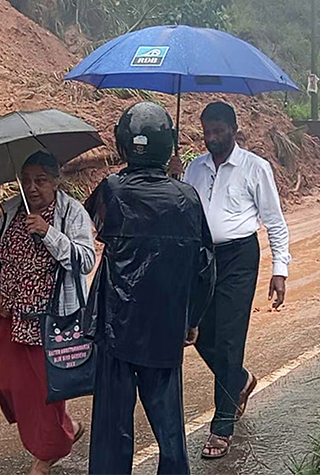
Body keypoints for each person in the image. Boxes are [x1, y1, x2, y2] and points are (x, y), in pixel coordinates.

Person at [85, 101, 216, 475]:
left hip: (117, 328)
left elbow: (95, 224)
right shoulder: (186, 197)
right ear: (168, 144)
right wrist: (192, 318)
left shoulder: (112, 189)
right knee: (169, 429)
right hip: (165, 327)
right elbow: (206, 267)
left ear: (123, 144)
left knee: (113, 430)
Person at [181, 101, 292, 460]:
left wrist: (280, 269)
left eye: (218, 131)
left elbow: (274, 221)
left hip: (239, 258)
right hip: (202, 258)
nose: (212, 138)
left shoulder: (255, 168)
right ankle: (240, 380)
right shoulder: (192, 169)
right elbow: (184, 214)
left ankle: (222, 425)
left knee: (229, 339)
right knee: (198, 333)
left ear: (234, 130)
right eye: (207, 132)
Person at [0, 151, 96, 475]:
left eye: (40, 180)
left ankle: (48, 453)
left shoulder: (71, 212)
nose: (32, 187)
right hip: (11, 317)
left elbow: (85, 260)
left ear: (55, 180)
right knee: (8, 388)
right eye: (26, 180)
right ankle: (67, 426)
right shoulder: (11, 211)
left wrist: (48, 232)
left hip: (51, 320)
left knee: (44, 392)